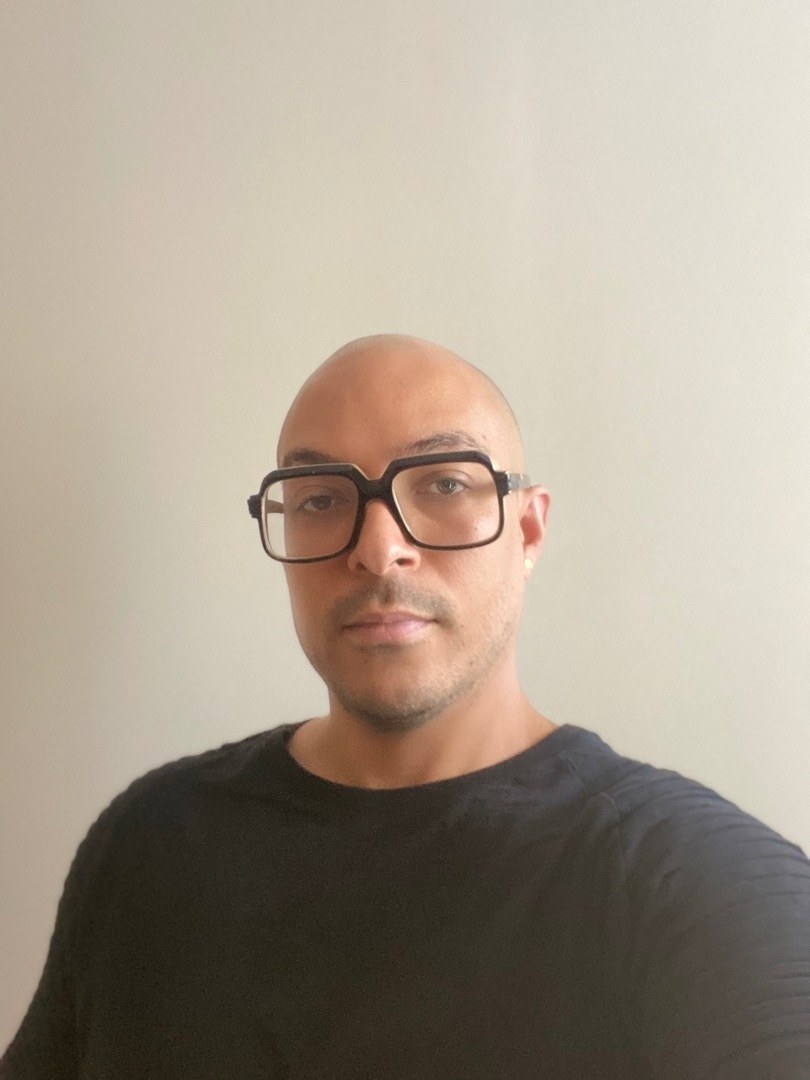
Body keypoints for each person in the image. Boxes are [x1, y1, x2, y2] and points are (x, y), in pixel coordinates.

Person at [3, 334, 810, 1079]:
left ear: (528, 532)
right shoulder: (147, 846)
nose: (378, 547)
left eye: (445, 484)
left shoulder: (694, 881)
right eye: (320, 498)